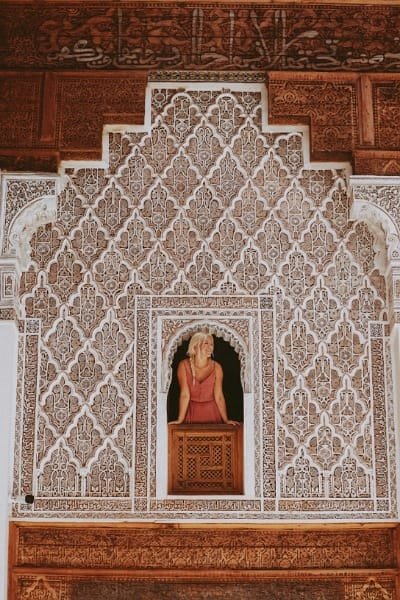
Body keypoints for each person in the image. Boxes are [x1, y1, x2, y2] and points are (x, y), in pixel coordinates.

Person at [169, 331, 240, 425]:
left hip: (212, 414)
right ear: (195, 346)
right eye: (206, 343)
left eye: (211, 344)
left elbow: (218, 396)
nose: (210, 347)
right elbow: (184, 395)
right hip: (191, 413)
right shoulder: (183, 365)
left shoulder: (217, 367)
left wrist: (226, 420)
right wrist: (180, 420)